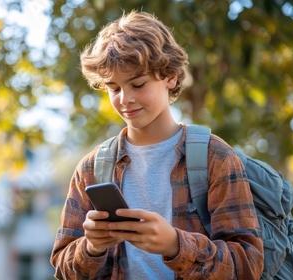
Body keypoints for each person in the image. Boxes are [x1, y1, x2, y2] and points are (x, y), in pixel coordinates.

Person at [50, 10, 264, 279]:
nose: (125, 99)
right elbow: (63, 268)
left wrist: (176, 245)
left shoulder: (215, 157)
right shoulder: (91, 168)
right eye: (113, 88)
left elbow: (249, 266)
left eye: (138, 84)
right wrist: (91, 248)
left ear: (171, 77)